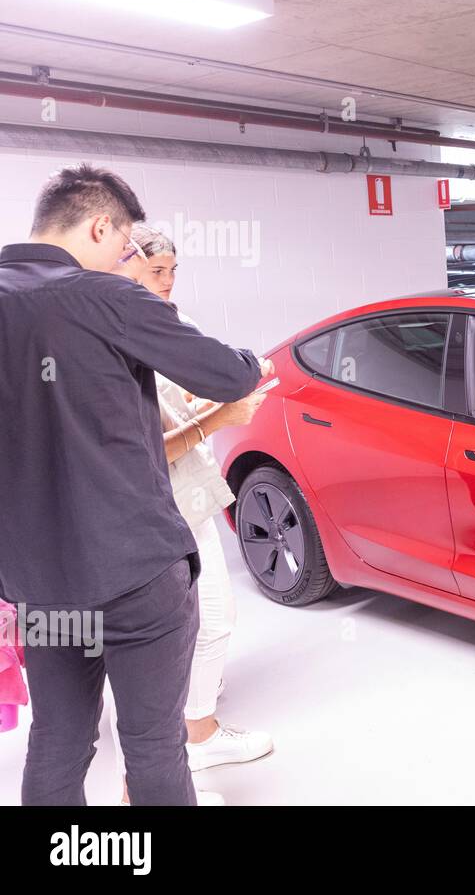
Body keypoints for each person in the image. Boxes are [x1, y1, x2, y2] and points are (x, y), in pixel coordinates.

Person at [0, 164, 267, 806]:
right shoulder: (106, 297)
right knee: (152, 747)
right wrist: (254, 362)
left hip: (38, 584)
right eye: (123, 248)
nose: (124, 260)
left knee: (59, 742)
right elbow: (229, 376)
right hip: (135, 574)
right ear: (99, 226)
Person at [106, 226, 273, 791]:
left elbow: (167, 409)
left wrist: (197, 403)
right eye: (157, 271)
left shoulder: (156, 327)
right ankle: (171, 758)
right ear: (123, 264)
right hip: (155, 507)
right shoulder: (117, 334)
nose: (168, 283)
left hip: (184, 498)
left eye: (174, 271)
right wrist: (217, 419)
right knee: (171, 637)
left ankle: (196, 734)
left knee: (211, 620)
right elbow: (141, 447)